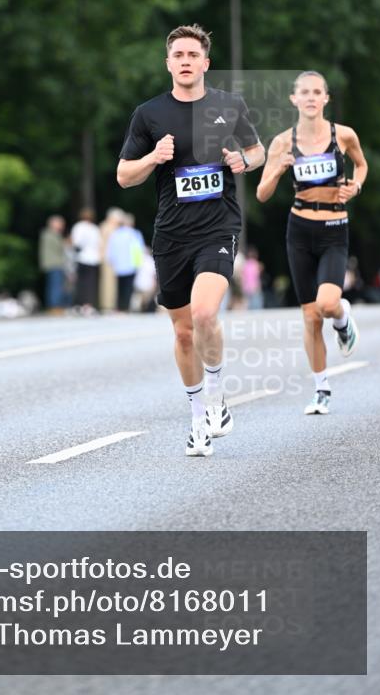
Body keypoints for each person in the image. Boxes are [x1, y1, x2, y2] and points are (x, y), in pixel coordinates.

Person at [117, 23, 265, 456]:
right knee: (183, 334)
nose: (185, 61)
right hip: (171, 235)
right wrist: (152, 157)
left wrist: (243, 160)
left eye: (191, 55)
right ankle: (198, 418)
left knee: (203, 313)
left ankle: (218, 392)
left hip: (218, 228)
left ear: (205, 63)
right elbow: (124, 176)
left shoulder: (228, 105)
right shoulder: (149, 114)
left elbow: (256, 151)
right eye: (177, 55)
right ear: (169, 63)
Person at [256, 70, 368, 415]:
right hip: (300, 228)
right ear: (294, 99)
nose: (309, 97)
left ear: (325, 99)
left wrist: (356, 186)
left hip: (334, 225)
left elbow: (361, 166)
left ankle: (343, 317)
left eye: (316, 92)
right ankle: (321, 390)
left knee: (328, 303)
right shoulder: (281, 142)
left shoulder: (343, 135)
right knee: (309, 316)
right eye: (303, 92)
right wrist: (277, 170)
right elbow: (261, 193)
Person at [106, 214, 145, 311]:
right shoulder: (135, 234)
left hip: (118, 265)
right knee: (128, 287)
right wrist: (138, 263)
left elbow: (111, 249)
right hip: (130, 265)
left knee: (120, 287)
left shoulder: (116, 234)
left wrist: (111, 260)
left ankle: (119, 306)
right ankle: (126, 307)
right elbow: (138, 250)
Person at [70, 208, 102, 313]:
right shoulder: (94, 228)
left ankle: (79, 305)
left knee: (80, 283)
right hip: (93, 259)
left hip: (82, 258)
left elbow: (76, 243)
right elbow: (99, 243)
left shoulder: (78, 227)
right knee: (90, 283)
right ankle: (88, 305)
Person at [38, 215, 67, 312]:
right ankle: (55, 306)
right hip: (55, 263)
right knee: (56, 286)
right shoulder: (52, 234)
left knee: (52, 286)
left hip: (50, 263)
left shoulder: (45, 234)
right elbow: (60, 247)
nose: (62, 226)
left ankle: (52, 306)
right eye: (60, 224)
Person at [99, 207, 124, 311]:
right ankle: (108, 306)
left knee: (112, 283)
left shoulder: (111, 227)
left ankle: (112, 305)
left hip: (113, 258)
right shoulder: (107, 227)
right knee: (108, 283)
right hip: (107, 258)